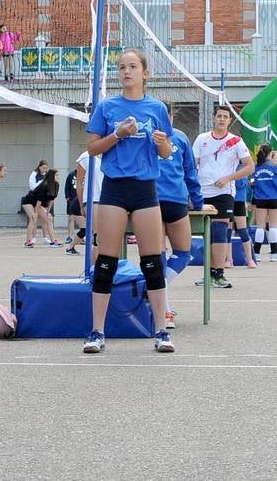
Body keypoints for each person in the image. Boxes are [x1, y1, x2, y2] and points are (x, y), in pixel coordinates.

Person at [81, 48, 175, 354]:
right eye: (122, 67)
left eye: (133, 66)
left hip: (146, 188)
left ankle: (161, 330)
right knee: (106, 261)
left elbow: (167, 152)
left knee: (152, 262)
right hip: (114, 188)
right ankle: (96, 331)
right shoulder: (107, 107)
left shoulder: (157, 108)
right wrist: (118, 134)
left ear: (145, 73)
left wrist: (162, 144)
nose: (126, 71)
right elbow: (93, 149)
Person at [192, 105, 256, 288]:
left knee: (220, 230)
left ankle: (219, 274)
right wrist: (191, 189)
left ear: (229, 120)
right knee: (207, 233)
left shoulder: (236, 141)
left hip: (224, 192)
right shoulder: (202, 139)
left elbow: (249, 167)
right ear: (214, 118)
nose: (221, 119)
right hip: (202, 192)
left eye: (225, 117)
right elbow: (192, 164)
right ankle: (208, 274)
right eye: (219, 116)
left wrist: (229, 177)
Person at [155, 105, 205, 330]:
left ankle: (156, 293)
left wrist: (199, 201)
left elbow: (190, 172)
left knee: (182, 253)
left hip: (172, 200)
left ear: (173, 116)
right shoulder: (148, 137)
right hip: (152, 201)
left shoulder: (181, 137)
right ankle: (164, 312)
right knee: (158, 257)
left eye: (169, 115)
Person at [22, 159, 51, 248]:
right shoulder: (34, 174)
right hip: (29, 200)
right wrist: (41, 183)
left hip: (39, 201)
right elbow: (32, 186)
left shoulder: (47, 176)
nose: (44, 170)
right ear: (39, 167)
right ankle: (29, 240)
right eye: (43, 168)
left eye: (46, 168)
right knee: (33, 218)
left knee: (48, 217)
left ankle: (50, 238)